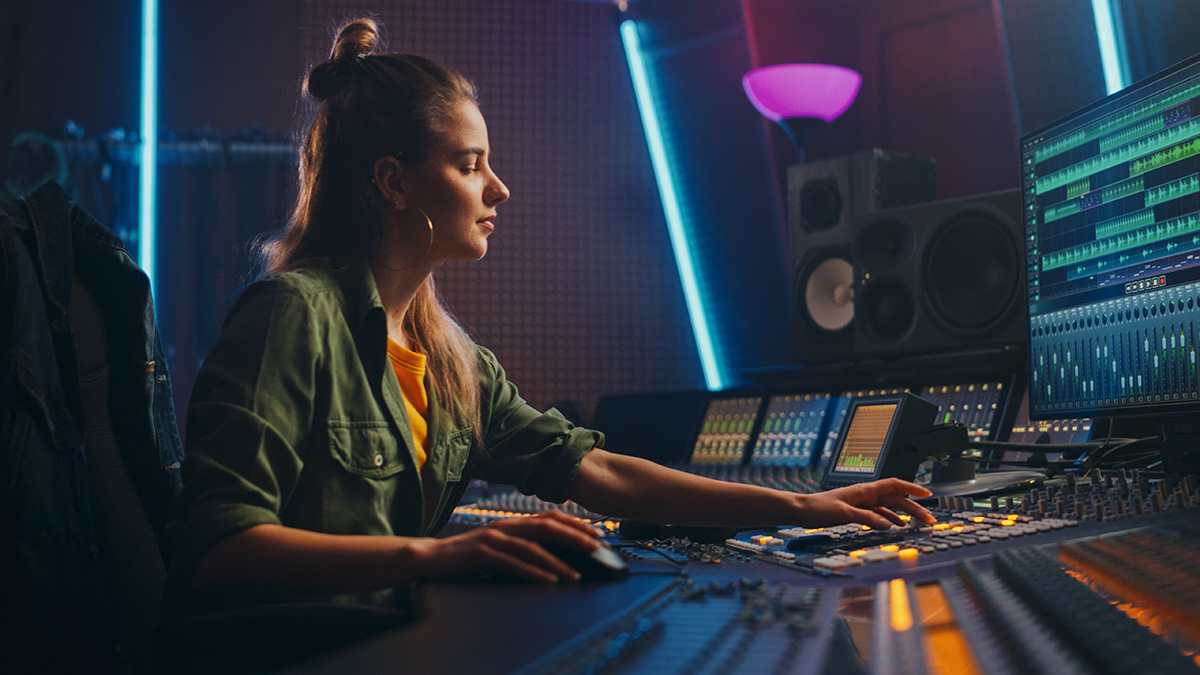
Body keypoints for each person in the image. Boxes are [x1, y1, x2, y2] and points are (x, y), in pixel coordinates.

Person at [165, 18, 932, 615]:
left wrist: (801, 505)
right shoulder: (290, 318)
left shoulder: (454, 359)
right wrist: (437, 557)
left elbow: (594, 469)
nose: (498, 189)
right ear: (394, 183)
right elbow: (219, 545)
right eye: (470, 165)